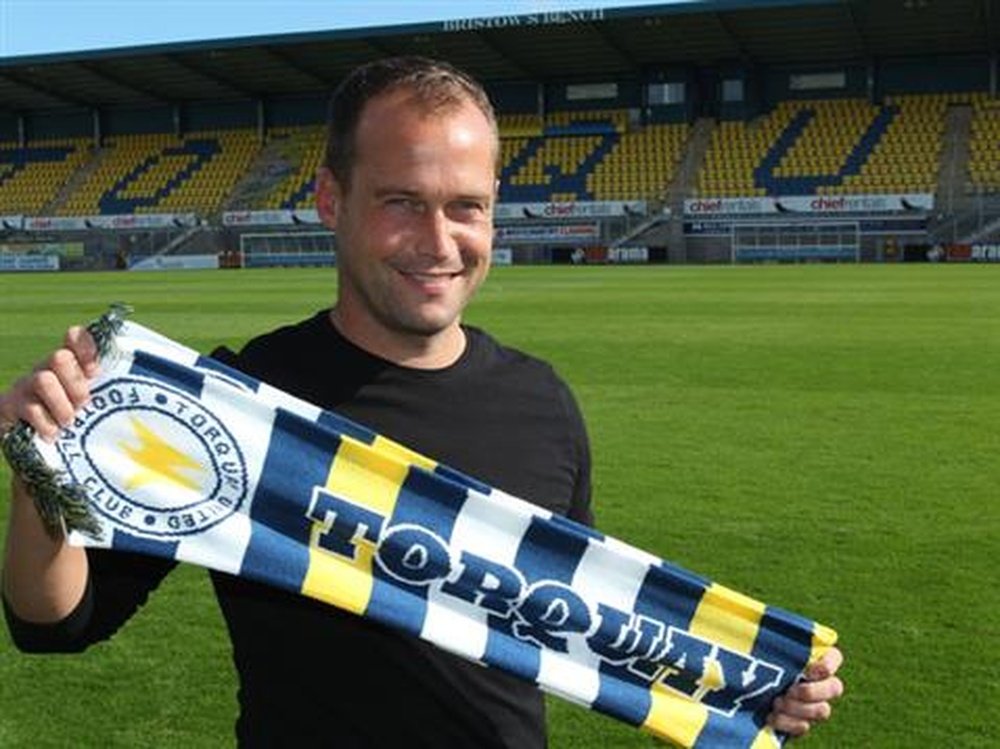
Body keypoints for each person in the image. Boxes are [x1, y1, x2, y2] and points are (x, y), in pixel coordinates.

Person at [0, 57, 843, 747]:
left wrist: (747, 687)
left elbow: (573, 619)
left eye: (466, 207)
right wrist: (42, 466)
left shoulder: (541, 400)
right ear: (333, 201)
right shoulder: (236, 402)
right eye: (402, 202)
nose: (440, 244)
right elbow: (58, 621)